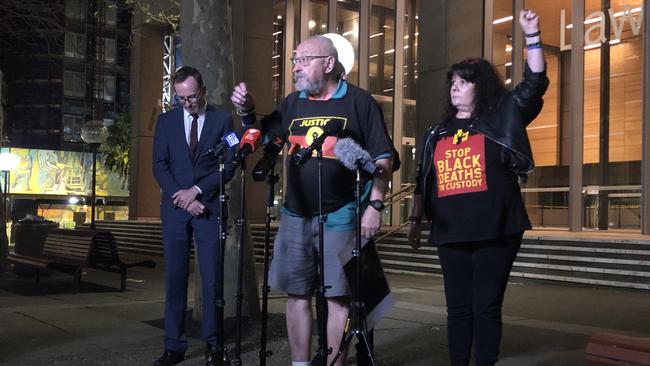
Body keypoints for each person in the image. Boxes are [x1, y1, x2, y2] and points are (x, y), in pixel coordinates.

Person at [231, 35, 395, 366]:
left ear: (329, 64)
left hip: (342, 214)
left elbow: (384, 159)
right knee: (296, 294)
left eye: (303, 60)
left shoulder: (359, 102)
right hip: (296, 215)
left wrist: (375, 205)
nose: (295, 67)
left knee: (339, 297)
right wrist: (247, 111)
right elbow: (260, 134)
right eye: (294, 60)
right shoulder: (293, 103)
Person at [407, 9, 548, 366]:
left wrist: (532, 35)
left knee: (486, 307)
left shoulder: (501, 117)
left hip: (496, 229)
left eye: (464, 81)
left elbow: (534, 83)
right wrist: (415, 219)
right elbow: (424, 176)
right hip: (450, 231)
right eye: (452, 81)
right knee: (458, 309)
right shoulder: (435, 132)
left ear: (480, 86)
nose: (454, 86)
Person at [152, 66, 236, 366]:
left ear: (203, 89)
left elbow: (231, 162)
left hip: (209, 209)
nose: (187, 103)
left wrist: (199, 191)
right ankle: (174, 346)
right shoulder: (165, 122)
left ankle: (214, 345)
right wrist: (185, 199)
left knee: (212, 280)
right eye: (180, 98)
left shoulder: (223, 120)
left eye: (191, 97)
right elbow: (159, 166)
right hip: (176, 211)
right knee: (175, 279)